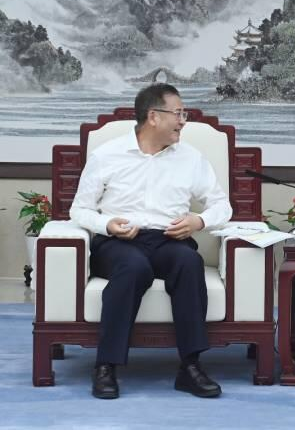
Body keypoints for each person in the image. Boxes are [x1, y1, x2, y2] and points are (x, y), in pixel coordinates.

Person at [70, 83, 232, 399]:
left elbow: (221, 205)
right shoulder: (107, 155)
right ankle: (106, 365)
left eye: (184, 114)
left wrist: (199, 221)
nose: (183, 121)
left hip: (168, 239)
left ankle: (190, 367)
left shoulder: (191, 158)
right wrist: (107, 224)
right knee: (133, 267)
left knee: (189, 261)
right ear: (153, 116)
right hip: (118, 242)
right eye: (178, 114)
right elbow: (79, 209)